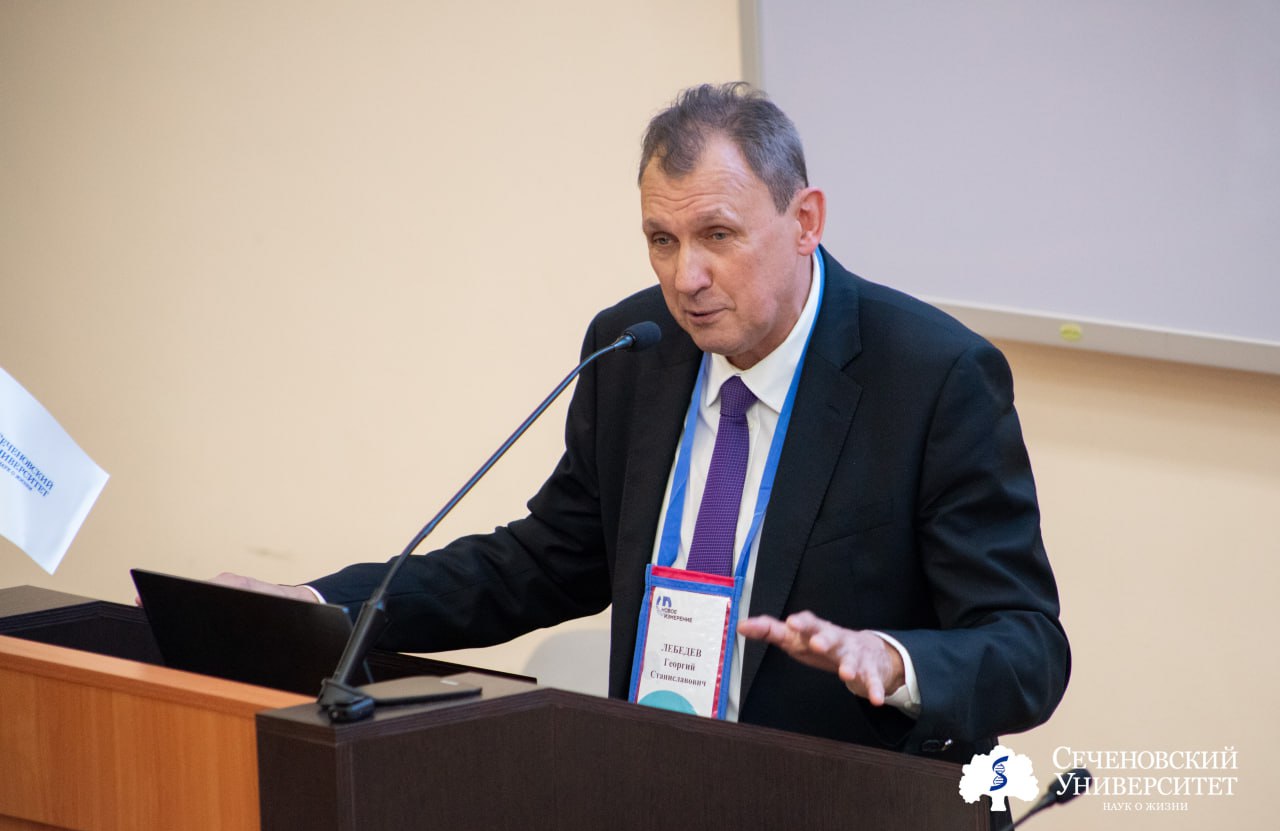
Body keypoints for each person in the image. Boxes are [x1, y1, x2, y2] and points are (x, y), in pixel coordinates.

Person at [224, 83, 1068, 764]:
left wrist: (891, 657)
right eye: (661, 240)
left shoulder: (931, 377)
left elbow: (1027, 645)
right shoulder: (635, 348)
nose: (686, 276)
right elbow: (544, 561)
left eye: (717, 235)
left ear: (805, 221)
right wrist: (327, 606)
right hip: (661, 788)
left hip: (853, 803)